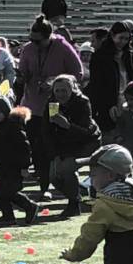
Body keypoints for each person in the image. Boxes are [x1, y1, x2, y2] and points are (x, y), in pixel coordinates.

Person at [20, 15, 84, 200]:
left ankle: (57, 182)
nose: (34, 43)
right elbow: (24, 72)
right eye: (31, 39)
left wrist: (57, 83)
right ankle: (43, 185)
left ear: (49, 37)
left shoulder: (63, 48)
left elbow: (78, 73)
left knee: (51, 144)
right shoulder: (28, 49)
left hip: (54, 104)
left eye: (38, 41)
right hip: (32, 104)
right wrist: (22, 76)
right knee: (35, 145)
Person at [44, 75, 101, 217]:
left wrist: (67, 126)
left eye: (64, 91)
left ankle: (73, 204)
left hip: (87, 142)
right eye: (57, 91)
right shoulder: (52, 104)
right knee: (53, 177)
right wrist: (55, 155)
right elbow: (47, 132)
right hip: (63, 145)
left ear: (72, 89)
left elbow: (86, 131)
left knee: (66, 169)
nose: (60, 95)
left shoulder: (82, 102)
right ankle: (78, 191)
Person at [86, 22, 133, 142]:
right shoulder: (100, 57)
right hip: (109, 103)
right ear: (113, 36)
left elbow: (132, 76)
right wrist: (108, 105)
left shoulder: (128, 55)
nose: (123, 42)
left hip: (127, 101)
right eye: (120, 38)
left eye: (126, 39)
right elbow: (97, 85)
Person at [0, 105, 39, 225]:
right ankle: (8, 216)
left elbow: (24, 147)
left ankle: (29, 206)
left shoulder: (13, 126)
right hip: (2, 165)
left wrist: (25, 166)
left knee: (9, 191)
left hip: (14, 165)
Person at [113, 80, 133, 179]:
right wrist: (119, 135)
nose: (129, 102)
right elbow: (121, 125)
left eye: (132, 99)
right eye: (127, 99)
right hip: (129, 145)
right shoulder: (125, 111)